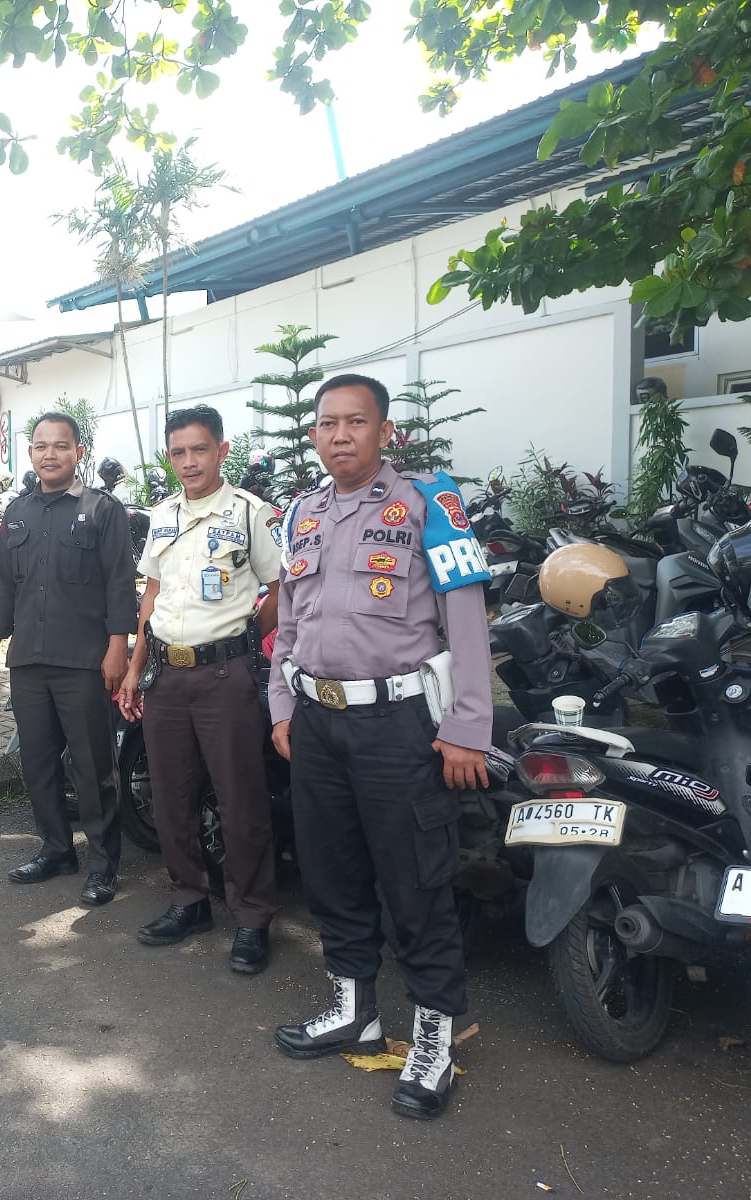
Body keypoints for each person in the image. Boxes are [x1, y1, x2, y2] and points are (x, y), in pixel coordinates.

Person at [266, 373, 493, 1120]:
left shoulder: (430, 503)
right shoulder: (301, 512)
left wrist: (467, 726)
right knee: (331, 872)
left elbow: (466, 618)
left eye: (356, 422)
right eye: (327, 423)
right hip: (316, 722)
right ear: (314, 435)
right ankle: (353, 1011)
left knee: (416, 885)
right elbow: (289, 623)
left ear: (385, 432)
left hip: (399, 726)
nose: (339, 435)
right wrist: (281, 705)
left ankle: (434, 1040)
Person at [118, 405, 283, 973]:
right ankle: (188, 900)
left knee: (240, 801)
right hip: (166, 675)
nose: (189, 462)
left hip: (223, 677)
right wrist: (135, 668)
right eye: (178, 453)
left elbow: (280, 588)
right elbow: (152, 595)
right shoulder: (162, 514)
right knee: (171, 797)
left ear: (222, 450)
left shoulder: (250, 514)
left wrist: (243, 638)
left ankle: (253, 917)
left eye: (199, 450)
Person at [0, 413, 137, 906]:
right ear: (30, 454)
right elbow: (4, 585)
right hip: (28, 659)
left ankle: (103, 865)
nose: (51, 454)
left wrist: (117, 647)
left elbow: (119, 583)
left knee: (92, 766)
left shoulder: (103, 510)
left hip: (85, 662)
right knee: (38, 763)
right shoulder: (16, 513)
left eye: (61, 446)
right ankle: (56, 850)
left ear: (78, 453)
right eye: (41, 446)